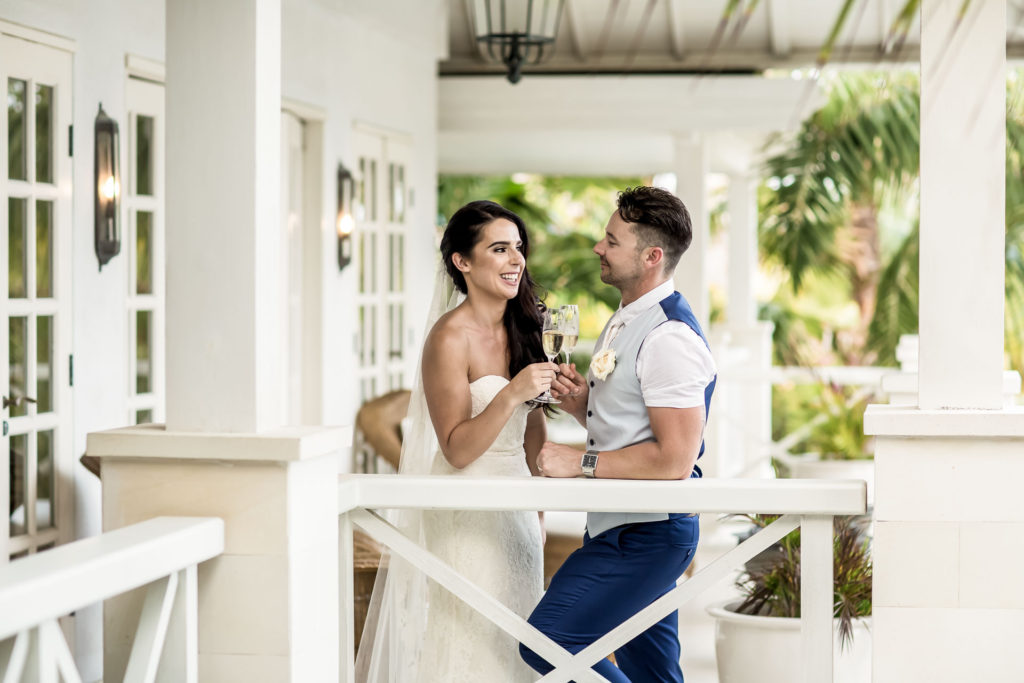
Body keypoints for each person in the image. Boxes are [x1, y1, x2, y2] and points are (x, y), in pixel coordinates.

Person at [519, 186, 717, 683]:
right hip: (619, 527)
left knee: (547, 643)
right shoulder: (626, 317)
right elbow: (630, 431)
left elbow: (673, 460)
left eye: (611, 240)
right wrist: (582, 403)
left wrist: (578, 463)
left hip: (648, 537)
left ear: (651, 256)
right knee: (654, 676)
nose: (597, 248)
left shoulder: (670, 337)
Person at [356, 200, 557, 682]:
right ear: (462, 262)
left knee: (517, 639)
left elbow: (532, 432)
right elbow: (457, 448)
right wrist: (512, 393)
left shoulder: (526, 324)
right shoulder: (448, 339)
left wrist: (541, 506)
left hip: (519, 510)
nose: (516, 260)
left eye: (519, 248)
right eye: (500, 249)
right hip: (466, 508)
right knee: (472, 637)